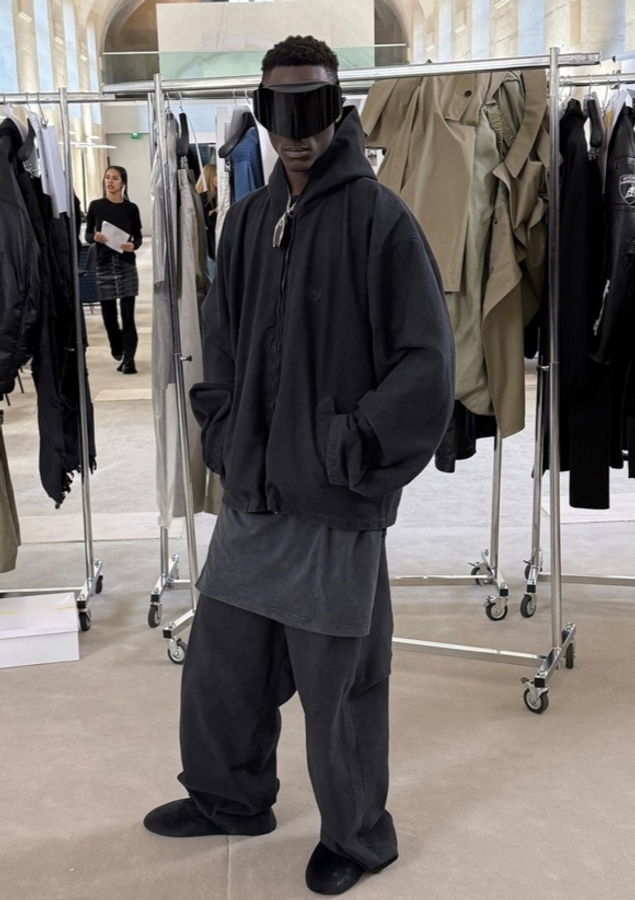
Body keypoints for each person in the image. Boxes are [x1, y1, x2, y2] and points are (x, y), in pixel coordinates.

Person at [143, 35, 455, 896]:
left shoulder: (381, 221)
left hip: (334, 502)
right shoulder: (247, 220)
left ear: (337, 107)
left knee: (340, 689)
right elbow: (221, 339)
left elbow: (427, 366)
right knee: (220, 669)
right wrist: (222, 426)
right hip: (254, 493)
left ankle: (355, 838)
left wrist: (352, 444)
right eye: (279, 113)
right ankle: (228, 797)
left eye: (312, 111)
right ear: (261, 112)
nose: (296, 133)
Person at [85, 165, 143, 374]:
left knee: (128, 317)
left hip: (126, 264)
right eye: (107, 178)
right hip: (104, 264)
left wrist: (133, 245)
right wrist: (95, 237)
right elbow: (87, 235)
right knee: (109, 318)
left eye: (115, 178)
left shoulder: (131, 208)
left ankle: (129, 361)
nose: (110, 181)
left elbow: (137, 237)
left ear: (123, 182)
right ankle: (117, 346)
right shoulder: (96, 206)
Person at [195, 162, 218, 281]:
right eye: (216, 175)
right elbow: (207, 222)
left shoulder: (219, 196)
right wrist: (216, 213)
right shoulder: (202, 199)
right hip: (210, 246)